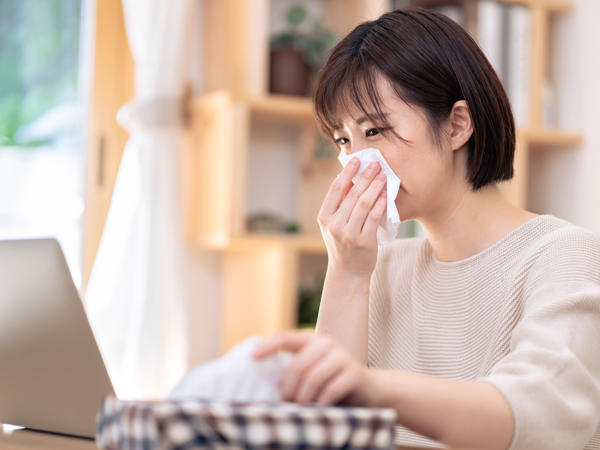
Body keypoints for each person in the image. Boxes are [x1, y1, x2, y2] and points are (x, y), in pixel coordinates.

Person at [253, 7, 600, 450]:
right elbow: (324, 434)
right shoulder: (378, 268)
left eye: (375, 130)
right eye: (343, 139)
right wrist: (348, 271)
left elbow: (539, 420)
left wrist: (375, 389)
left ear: (457, 125)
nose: (354, 162)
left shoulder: (566, 257)